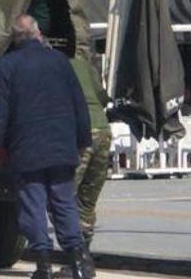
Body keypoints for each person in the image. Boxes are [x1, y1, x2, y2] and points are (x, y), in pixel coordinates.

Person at [0, 15, 93, 279]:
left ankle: (43, 265)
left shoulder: (6, 66)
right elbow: (79, 103)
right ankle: (77, 260)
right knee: (64, 202)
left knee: (33, 204)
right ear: (38, 33)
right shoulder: (60, 61)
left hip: (26, 148)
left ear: (14, 39)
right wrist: (82, 140)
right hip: (61, 146)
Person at [63, 53, 111, 278]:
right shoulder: (84, 65)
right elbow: (103, 96)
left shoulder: (54, 66)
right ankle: (86, 259)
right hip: (103, 131)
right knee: (87, 201)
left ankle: (75, 261)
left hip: (79, 135)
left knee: (66, 198)